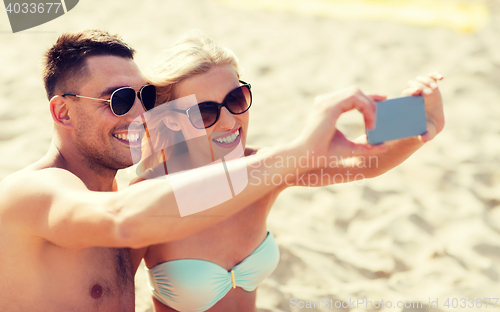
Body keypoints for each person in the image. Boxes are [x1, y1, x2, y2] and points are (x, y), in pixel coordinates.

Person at [0, 29, 384, 311]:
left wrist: (420, 118)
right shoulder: (36, 191)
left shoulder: (117, 194)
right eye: (117, 100)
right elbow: (124, 222)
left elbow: (368, 162)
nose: (138, 114)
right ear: (62, 111)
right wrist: (298, 151)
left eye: (145, 97)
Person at [131, 30, 444, 312]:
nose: (229, 122)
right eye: (205, 111)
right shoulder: (146, 194)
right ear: (171, 120)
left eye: (236, 98)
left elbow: (360, 161)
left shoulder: (261, 169)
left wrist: (419, 121)